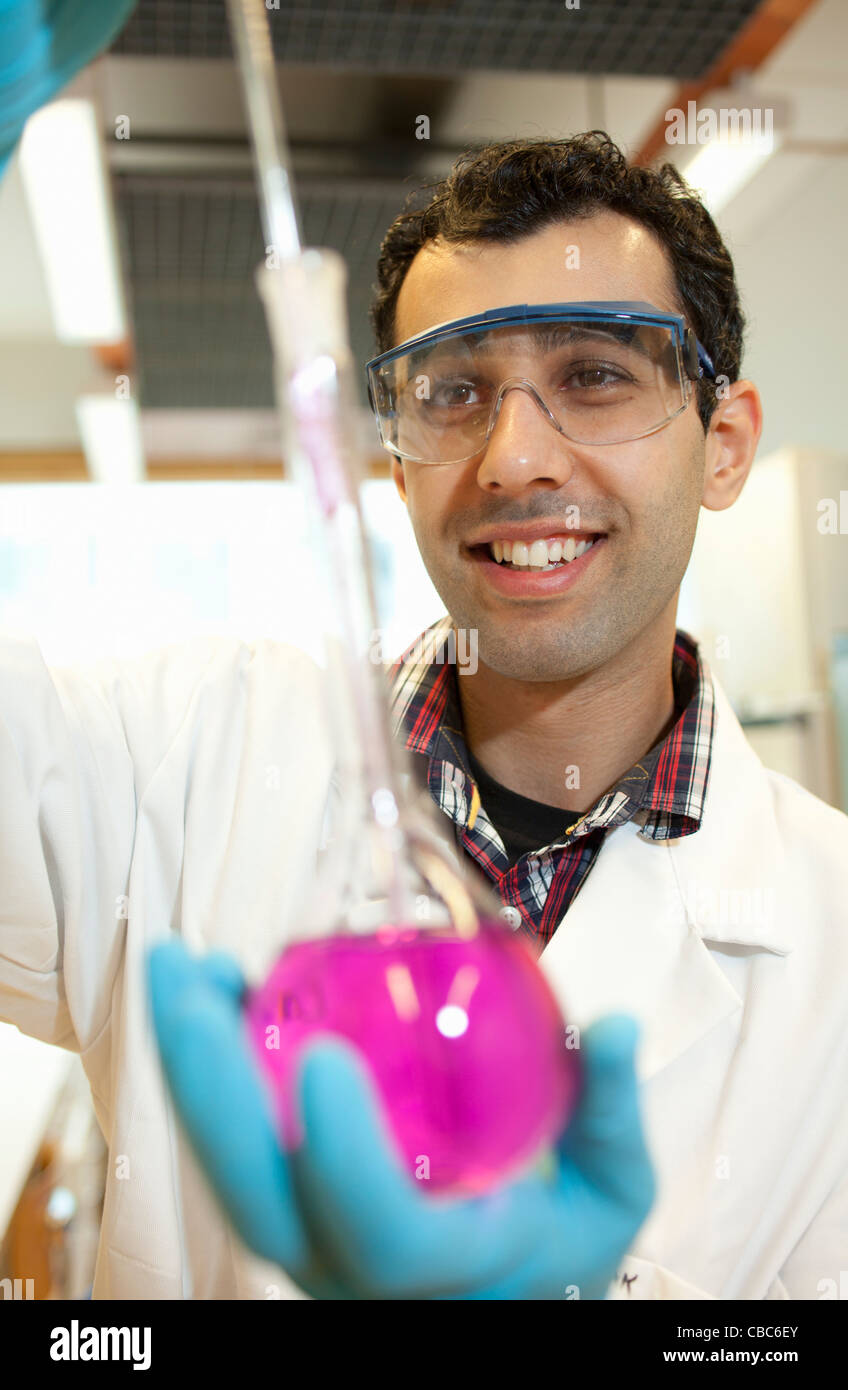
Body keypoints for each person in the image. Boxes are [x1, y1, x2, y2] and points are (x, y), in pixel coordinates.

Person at [0, 1, 845, 1301]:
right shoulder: (164, 759)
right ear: (395, 454)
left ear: (723, 442)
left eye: (598, 374)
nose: (512, 457)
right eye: (452, 391)